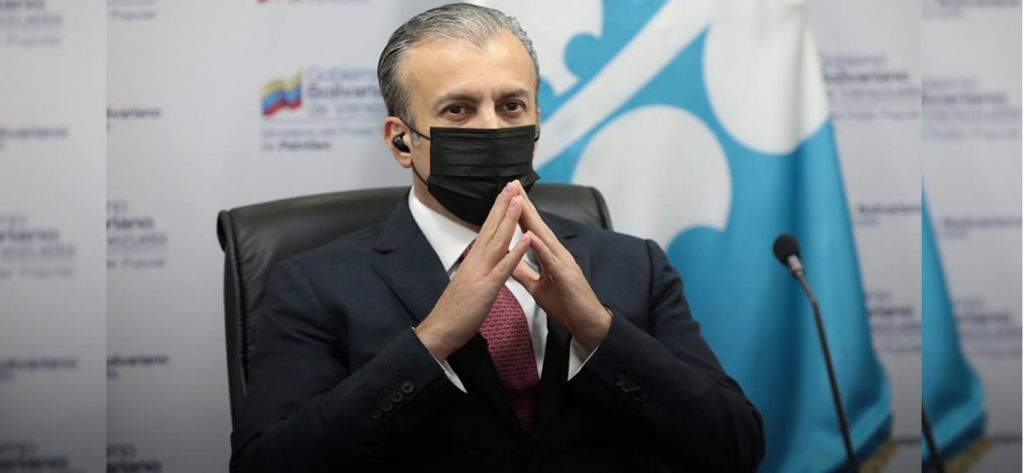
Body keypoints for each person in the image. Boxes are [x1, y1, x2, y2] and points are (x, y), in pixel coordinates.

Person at [230, 4, 763, 472]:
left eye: (511, 106)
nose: (491, 129)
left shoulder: (632, 265)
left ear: (535, 121)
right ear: (401, 141)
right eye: (458, 110)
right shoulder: (316, 284)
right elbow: (267, 463)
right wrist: (432, 341)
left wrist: (599, 331)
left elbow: (736, 447)